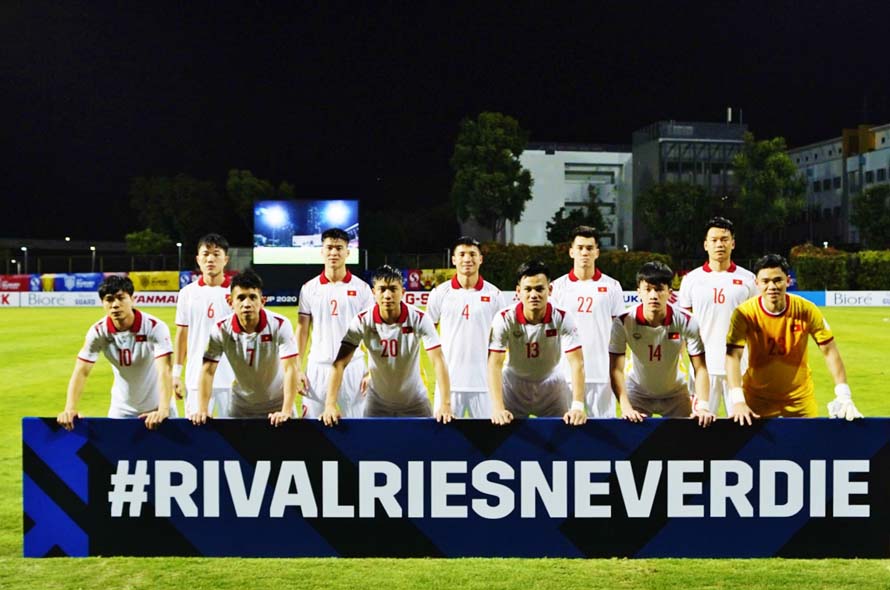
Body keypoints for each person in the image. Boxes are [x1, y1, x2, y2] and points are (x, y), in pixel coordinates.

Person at [726, 254, 863, 424]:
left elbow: (829, 351)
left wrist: (843, 395)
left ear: (788, 281)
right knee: (754, 442)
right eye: (765, 281)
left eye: (778, 280)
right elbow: (733, 356)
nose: (772, 286)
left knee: (809, 442)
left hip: (800, 398)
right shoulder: (744, 313)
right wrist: (738, 401)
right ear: (757, 283)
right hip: (757, 397)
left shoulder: (806, 309)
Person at [320, 265, 452, 425]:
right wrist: (330, 405)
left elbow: (438, 360)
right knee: (371, 442)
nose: (387, 295)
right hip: (377, 404)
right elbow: (339, 363)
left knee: (425, 441)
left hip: (415, 401)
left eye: (393, 289)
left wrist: (445, 404)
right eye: (382, 289)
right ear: (373, 292)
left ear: (403, 292)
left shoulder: (419, 318)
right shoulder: (362, 321)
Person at [57, 275, 175, 431]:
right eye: (109, 299)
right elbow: (82, 371)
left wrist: (163, 409)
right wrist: (70, 409)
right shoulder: (98, 332)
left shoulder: (154, 327)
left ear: (132, 299)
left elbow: (165, 370)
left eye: (121, 298)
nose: (115, 305)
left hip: (158, 406)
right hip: (122, 409)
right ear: (102, 303)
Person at [190, 269, 301, 426]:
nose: (247, 304)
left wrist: (286, 411)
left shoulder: (280, 324)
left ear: (262, 301)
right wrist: (202, 409)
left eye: (252, 297)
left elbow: (291, 368)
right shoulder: (221, 329)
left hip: (277, 402)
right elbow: (207, 370)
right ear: (230, 302)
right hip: (241, 405)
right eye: (241, 298)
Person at [609, 261, 714, 426]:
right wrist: (625, 407)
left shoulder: (687, 321)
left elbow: (700, 367)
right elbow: (616, 369)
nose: (653, 296)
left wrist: (703, 407)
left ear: (669, 293)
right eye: (648, 289)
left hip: (675, 393)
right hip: (637, 392)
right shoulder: (623, 322)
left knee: (687, 439)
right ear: (638, 292)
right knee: (633, 439)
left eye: (659, 289)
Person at [487, 260, 588, 426]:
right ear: (518, 291)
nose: (534, 295)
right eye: (528, 289)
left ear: (550, 290)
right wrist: (498, 407)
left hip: (552, 383)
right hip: (513, 385)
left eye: (539, 289)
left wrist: (577, 406)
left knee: (565, 433)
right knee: (504, 434)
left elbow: (577, 362)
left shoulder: (563, 317)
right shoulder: (504, 318)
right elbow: (494, 363)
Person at [677, 217, 757, 416]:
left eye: (724, 239)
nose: (719, 244)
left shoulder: (748, 279)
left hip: (740, 368)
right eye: (714, 240)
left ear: (733, 243)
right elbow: (682, 325)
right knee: (699, 426)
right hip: (702, 368)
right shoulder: (691, 280)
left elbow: (757, 325)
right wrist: (678, 361)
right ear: (706, 245)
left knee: (743, 426)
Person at [426, 236, 507, 418]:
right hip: (449, 385)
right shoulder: (440, 293)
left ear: (481, 259)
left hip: (485, 385)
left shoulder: (495, 295)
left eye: (472, 254)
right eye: (462, 254)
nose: (467, 259)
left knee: (491, 434)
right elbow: (428, 333)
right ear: (454, 259)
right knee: (445, 434)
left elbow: (502, 340)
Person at [296, 228, 373, 418]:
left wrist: (372, 370)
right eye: (329, 247)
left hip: (353, 368)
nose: (333, 252)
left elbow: (372, 332)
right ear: (322, 251)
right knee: (313, 428)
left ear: (348, 252)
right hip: (318, 368)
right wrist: (297, 368)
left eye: (339, 248)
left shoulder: (362, 289)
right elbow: (302, 330)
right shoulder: (308, 289)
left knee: (357, 427)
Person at [551, 226, 625, 417]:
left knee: (604, 430)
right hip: (565, 374)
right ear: (571, 252)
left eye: (590, 248)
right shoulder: (556, 288)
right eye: (580, 248)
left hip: (601, 374)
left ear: (597, 252)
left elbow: (619, 332)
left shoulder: (612, 286)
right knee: (566, 429)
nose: (585, 252)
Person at [174, 233, 236, 418]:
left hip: (232, 379)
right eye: (205, 254)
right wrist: (176, 373)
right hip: (196, 378)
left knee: (234, 433)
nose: (210, 259)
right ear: (198, 259)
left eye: (216, 254)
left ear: (225, 259)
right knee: (197, 431)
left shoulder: (237, 293)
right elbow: (182, 334)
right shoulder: (187, 293)